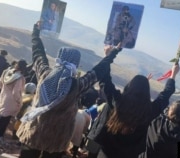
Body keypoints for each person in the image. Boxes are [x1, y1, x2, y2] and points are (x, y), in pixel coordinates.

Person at [16, 21, 122, 158]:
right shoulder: (77, 86)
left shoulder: (44, 74)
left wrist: (35, 31)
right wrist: (112, 53)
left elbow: (38, 52)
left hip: (34, 132)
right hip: (56, 139)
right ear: (75, 65)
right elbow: (98, 71)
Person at [87, 54, 180, 158]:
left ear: (129, 86)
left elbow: (105, 81)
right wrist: (173, 76)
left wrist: (107, 57)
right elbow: (166, 94)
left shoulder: (117, 101)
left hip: (105, 154)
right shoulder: (149, 111)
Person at [0, 59, 27, 137]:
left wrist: (5, 91)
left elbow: (0, 83)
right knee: (5, 119)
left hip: (4, 96)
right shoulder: (19, 78)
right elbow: (16, 92)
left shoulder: (7, 72)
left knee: (3, 117)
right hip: (12, 102)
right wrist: (19, 101)